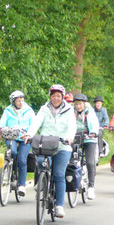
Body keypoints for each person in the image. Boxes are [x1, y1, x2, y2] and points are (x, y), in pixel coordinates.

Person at [24, 84, 76, 218]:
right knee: (40, 162)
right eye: (53, 96)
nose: (56, 98)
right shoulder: (44, 109)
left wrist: (69, 137)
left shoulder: (69, 110)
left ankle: (59, 206)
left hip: (62, 146)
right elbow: (36, 122)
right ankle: (42, 181)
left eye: (58, 96)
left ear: (62, 97)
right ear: (50, 96)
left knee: (59, 174)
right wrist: (29, 134)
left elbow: (72, 126)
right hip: (46, 144)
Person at [0, 90, 35, 197]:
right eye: (18, 100)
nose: (20, 102)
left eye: (22, 100)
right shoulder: (8, 111)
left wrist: (28, 133)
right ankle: (10, 171)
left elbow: (33, 124)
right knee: (12, 153)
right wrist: (2, 129)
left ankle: (21, 185)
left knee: (22, 160)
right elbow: (1, 123)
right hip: (11, 135)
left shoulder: (29, 111)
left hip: (25, 137)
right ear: (13, 101)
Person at [72, 94, 99, 199]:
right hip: (76, 137)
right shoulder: (71, 112)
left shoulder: (90, 112)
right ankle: (75, 179)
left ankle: (91, 187)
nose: (78, 106)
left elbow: (94, 124)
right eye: (77, 104)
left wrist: (93, 132)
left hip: (89, 138)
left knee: (90, 162)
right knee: (72, 159)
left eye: (80, 104)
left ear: (84, 104)